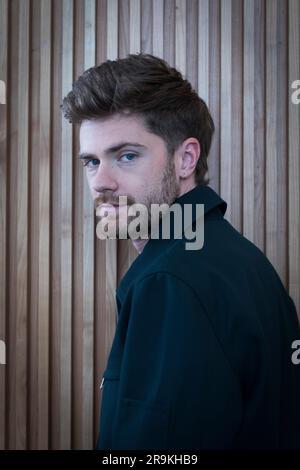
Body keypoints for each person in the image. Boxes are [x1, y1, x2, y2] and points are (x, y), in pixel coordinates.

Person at [62, 53, 300, 450]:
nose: (101, 181)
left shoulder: (170, 280)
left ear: (186, 158)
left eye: (126, 155)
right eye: (91, 161)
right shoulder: (231, 256)